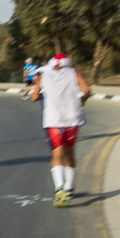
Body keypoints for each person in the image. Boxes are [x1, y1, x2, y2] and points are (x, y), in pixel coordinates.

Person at [32, 54, 91, 207]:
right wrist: (82, 100)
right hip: (72, 119)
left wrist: (43, 95)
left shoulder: (44, 75)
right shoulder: (73, 73)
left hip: (53, 120)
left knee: (57, 154)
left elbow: (34, 97)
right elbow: (87, 90)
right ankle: (69, 187)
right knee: (70, 152)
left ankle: (59, 188)